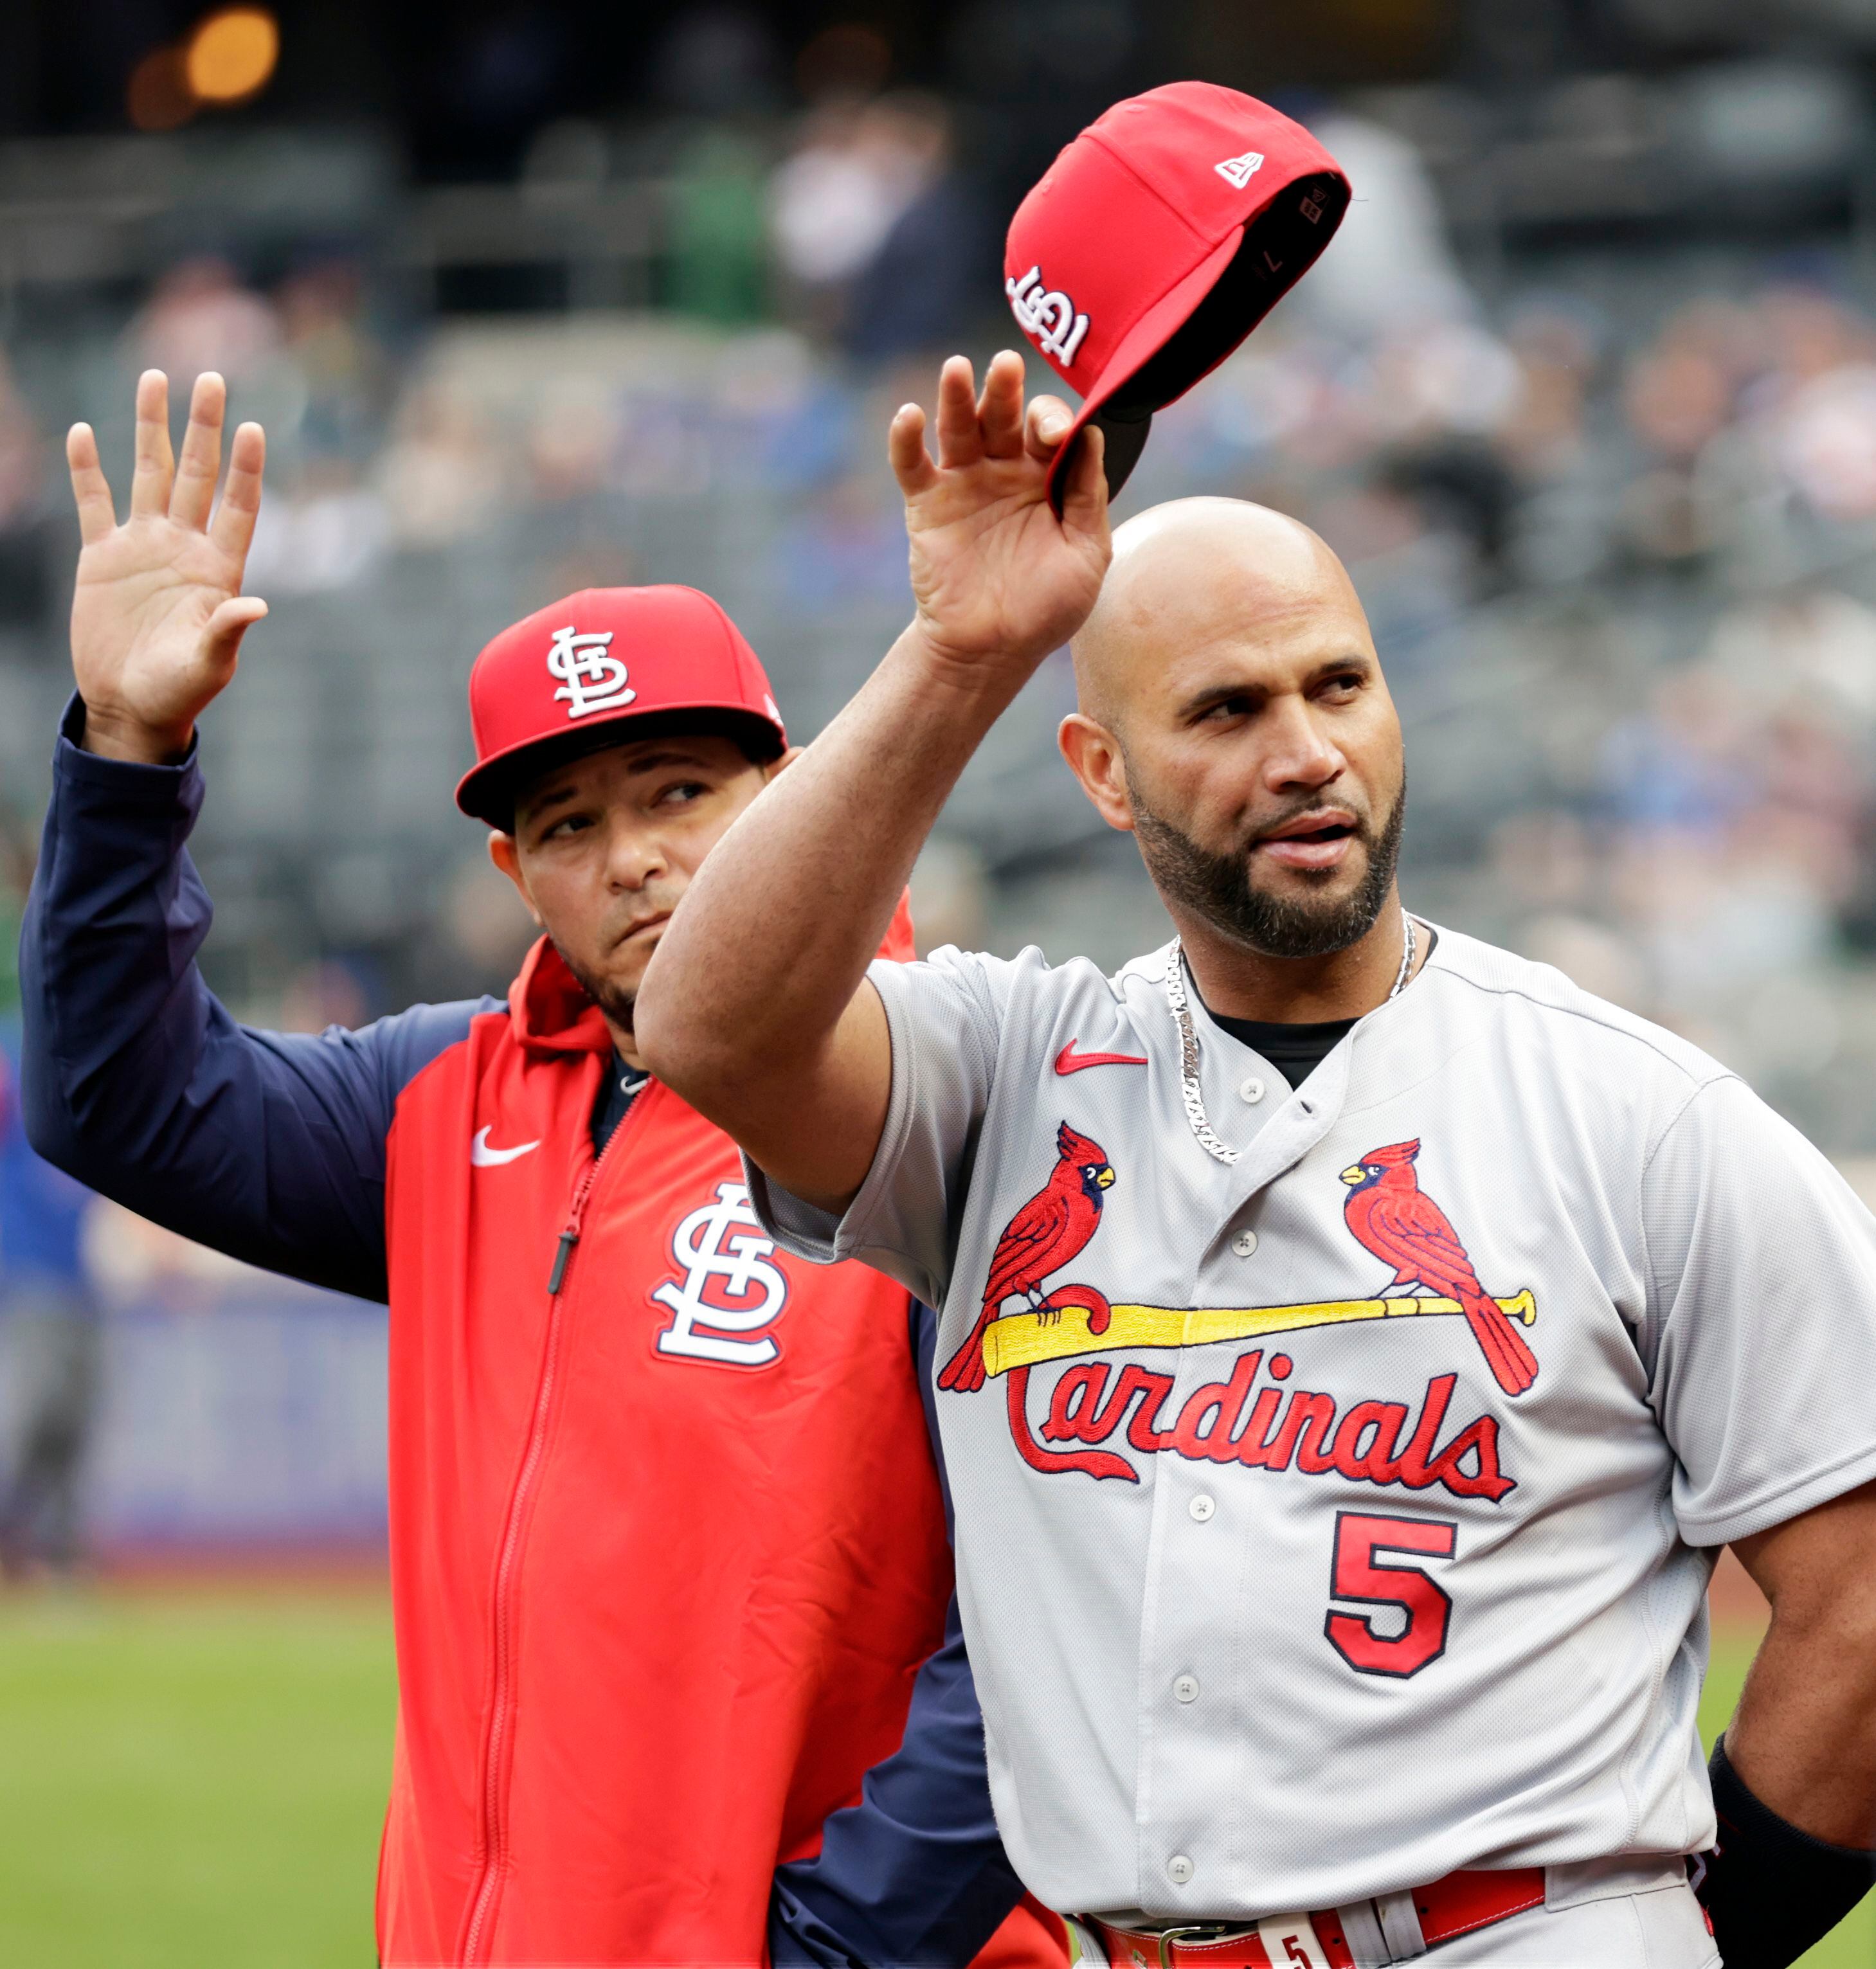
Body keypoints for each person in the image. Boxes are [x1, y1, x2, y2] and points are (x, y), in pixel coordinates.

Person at [635, 351, 1876, 1968]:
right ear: (1099, 772)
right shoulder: (1003, 1072)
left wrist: (1706, 1940)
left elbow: (1856, 1604)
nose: (1304, 750)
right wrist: (959, 649)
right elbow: (710, 1030)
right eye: (1225, 708)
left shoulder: (1635, 1114)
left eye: (1338, 684)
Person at [19, 368, 1066, 1969]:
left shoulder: (950, 1099)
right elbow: (115, 1102)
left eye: (678, 793)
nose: (632, 854)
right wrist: (128, 752)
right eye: (568, 823)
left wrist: (829, 1953)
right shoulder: (441, 1095)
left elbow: (1043, 1604)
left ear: (787, 791)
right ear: (513, 871)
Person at [0, 1025, 100, 1579]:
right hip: (26, 1267)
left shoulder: (90, 1052)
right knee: (29, 1413)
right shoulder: (16, 1047)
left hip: (78, 1274)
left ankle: (58, 1549)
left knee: (75, 1417)